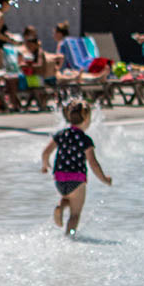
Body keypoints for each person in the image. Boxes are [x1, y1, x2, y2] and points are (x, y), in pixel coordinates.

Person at [40, 100, 112, 237]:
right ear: (86, 119)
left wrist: (45, 165)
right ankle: (70, 235)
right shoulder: (85, 140)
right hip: (77, 180)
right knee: (75, 214)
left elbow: (45, 152)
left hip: (59, 179)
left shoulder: (61, 135)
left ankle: (60, 207)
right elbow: (93, 163)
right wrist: (104, 179)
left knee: (67, 197)